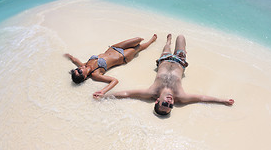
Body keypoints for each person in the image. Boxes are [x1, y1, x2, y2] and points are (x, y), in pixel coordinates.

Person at [93, 34, 234, 116]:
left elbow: (127, 93)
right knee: (181, 37)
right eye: (170, 105)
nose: (169, 102)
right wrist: (223, 101)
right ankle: (173, 40)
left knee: (167, 46)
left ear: (157, 101)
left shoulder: (152, 92)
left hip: (164, 59)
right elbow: (202, 98)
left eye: (164, 104)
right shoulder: (181, 96)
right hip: (180, 59)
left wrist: (104, 96)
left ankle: (167, 41)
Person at [65, 34, 157, 95]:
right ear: (84, 77)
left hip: (114, 48)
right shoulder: (95, 74)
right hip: (123, 57)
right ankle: (151, 41)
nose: (79, 68)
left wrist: (69, 56)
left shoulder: (85, 65)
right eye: (79, 71)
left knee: (138, 39)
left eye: (76, 69)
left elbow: (76, 61)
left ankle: (147, 41)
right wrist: (103, 91)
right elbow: (114, 81)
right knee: (139, 47)